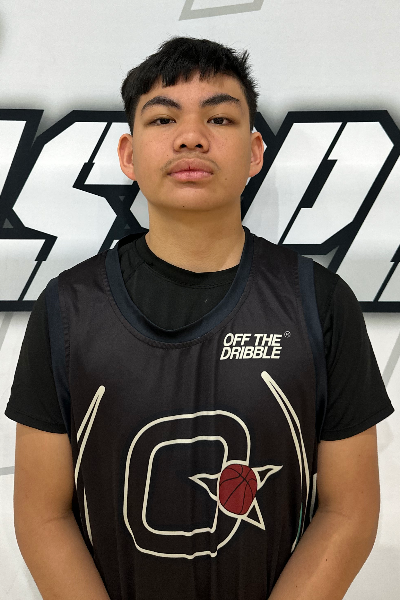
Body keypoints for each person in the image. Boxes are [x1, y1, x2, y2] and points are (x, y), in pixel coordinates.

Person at [6, 36, 394, 600]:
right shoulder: (67, 308)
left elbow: (349, 510)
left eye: (219, 118)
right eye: (163, 118)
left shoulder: (321, 302)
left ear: (255, 152)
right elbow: (42, 515)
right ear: (128, 155)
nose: (191, 136)